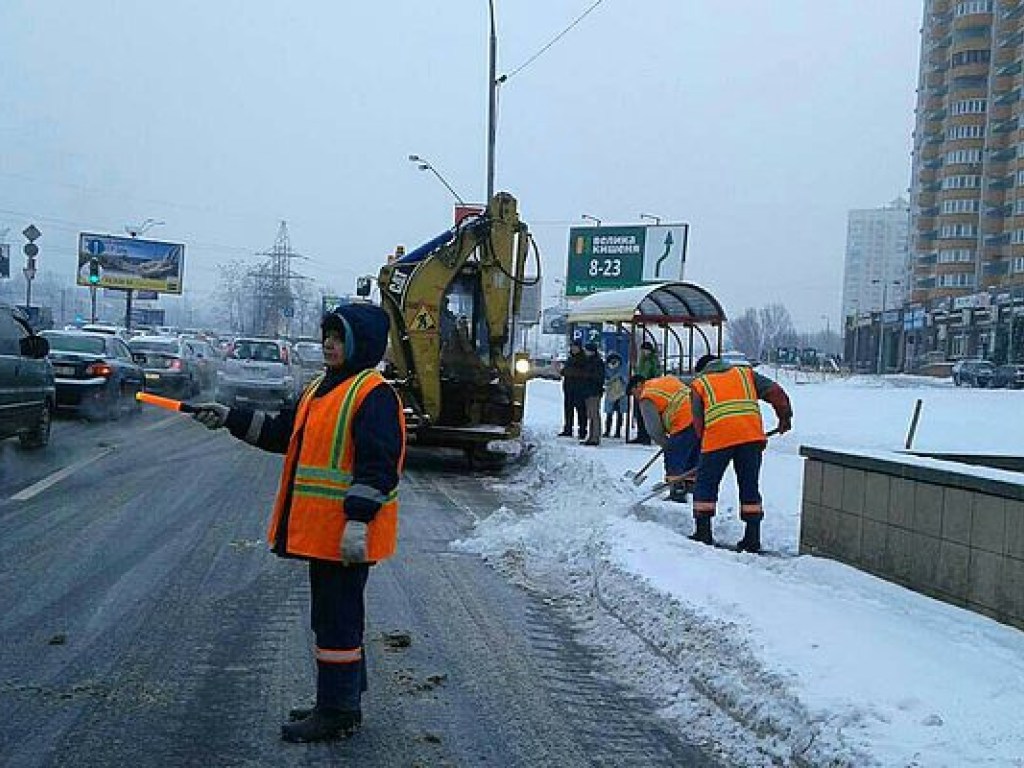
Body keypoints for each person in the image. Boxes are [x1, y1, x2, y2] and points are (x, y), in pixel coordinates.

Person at [189, 303, 406, 743]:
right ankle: (343, 700)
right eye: (326, 335)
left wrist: (358, 522)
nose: (328, 344)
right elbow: (281, 433)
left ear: (360, 344)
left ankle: (338, 712)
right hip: (323, 535)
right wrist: (229, 418)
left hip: (344, 535)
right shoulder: (319, 390)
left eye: (338, 337)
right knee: (333, 619)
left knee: (336, 623)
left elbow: (379, 465)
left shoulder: (372, 394)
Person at [688, 354, 792, 552]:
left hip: (717, 440)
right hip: (750, 438)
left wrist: (705, 444)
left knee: (706, 483)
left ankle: (703, 533)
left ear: (702, 369)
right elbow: (776, 392)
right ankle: (752, 538)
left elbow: (698, 422)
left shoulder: (699, 383)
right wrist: (784, 418)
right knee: (749, 485)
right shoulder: (746, 374)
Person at [629, 374, 700, 501]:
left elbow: (653, 429)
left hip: (682, 421)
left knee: (674, 458)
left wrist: (666, 445)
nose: (635, 397)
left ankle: (677, 490)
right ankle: (691, 485)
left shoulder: (646, 396)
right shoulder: (667, 380)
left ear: (638, 385)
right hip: (699, 418)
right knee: (692, 453)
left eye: (633, 393)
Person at [627, 340, 662, 444]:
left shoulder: (653, 361)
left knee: (646, 414)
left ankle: (646, 436)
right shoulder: (641, 360)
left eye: (645, 350)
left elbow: (656, 374)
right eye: (642, 350)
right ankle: (640, 434)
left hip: (648, 389)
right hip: (639, 389)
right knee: (639, 413)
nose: (644, 352)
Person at [558, 341, 588, 439]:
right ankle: (568, 429)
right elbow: (565, 371)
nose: (573, 349)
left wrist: (569, 372)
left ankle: (582, 430)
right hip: (569, 388)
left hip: (579, 388)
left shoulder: (583, 359)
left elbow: (581, 373)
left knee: (581, 410)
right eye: (572, 347)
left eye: (575, 347)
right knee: (568, 410)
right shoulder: (570, 359)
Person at [578, 341, 605, 446]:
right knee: (590, 415)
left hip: (594, 391)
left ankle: (595, 437)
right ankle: (591, 436)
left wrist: (587, 376)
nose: (585, 352)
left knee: (594, 415)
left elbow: (598, 377)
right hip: (588, 391)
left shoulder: (597, 362)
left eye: (587, 350)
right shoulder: (589, 361)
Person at [602, 351, 629, 438]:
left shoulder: (623, 369)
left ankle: (617, 431)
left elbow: (626, 380)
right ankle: (607, 430)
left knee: (619, 413)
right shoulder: (608, 369)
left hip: (621, 393)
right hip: (612, 393)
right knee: (609, 413)